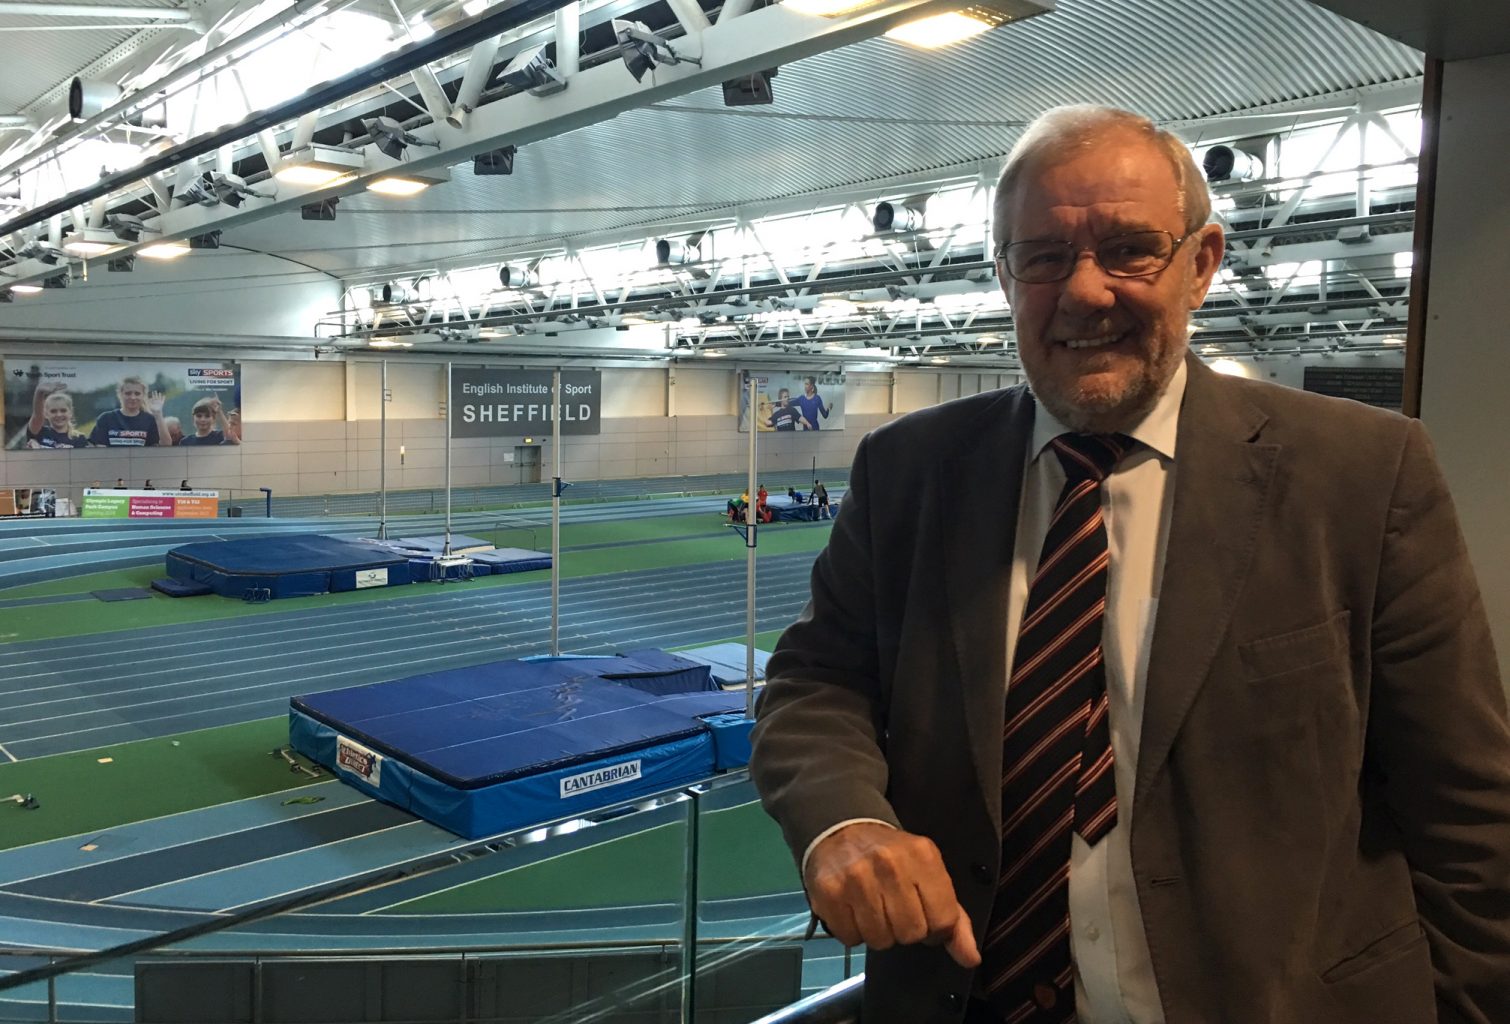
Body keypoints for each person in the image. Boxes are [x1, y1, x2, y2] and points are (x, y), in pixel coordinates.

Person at [749, 105, 1510, 1024]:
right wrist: (843, 820)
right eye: (1042, 256)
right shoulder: (910, 469)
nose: (1085, 291)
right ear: (1004, 274)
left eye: (1129, 250)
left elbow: (1466, 811)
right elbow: (817, 681)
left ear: (1202, 264)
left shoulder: (1363, 474)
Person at [88, 375, 167, 447]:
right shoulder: (105, 419)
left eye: (137, 393)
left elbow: (166, 445)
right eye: (128, 393)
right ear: (120, 394)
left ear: (143, 395)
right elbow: (98, 447)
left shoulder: (149, 420)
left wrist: (158, 414)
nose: (132, 397)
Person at [20, 379, 89, 448]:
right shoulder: (40, 432)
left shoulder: (79, 439)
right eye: (53, 411)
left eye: (63, 410)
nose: (58, 415)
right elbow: (37, 416)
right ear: (46, 414)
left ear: (71, 412)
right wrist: (39, 393)